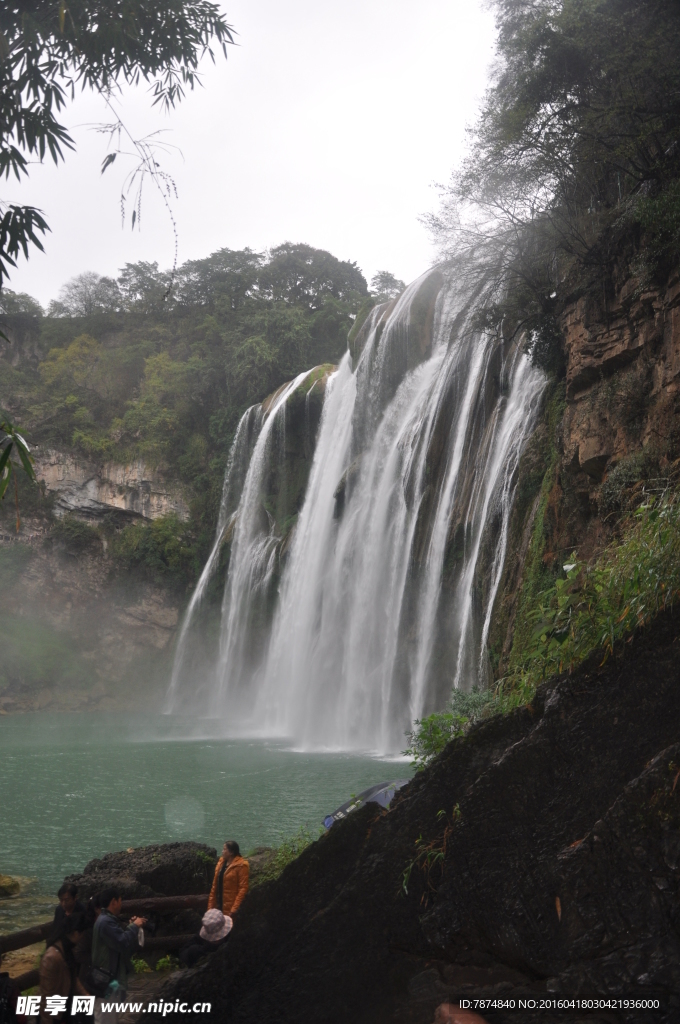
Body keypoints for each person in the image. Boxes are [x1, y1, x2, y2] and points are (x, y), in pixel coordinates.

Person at [90, 888, 146, 1024]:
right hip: (105, 979)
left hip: (107, 978)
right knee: (105, 1019)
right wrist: (133, 926)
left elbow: (118, 940)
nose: (121, 904)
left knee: (109, 1018)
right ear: (113, 902)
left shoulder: (106, 920)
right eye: (120, 901)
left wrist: (131, 926)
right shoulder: (105, 922)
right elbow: (122, 942)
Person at [39, 912, 90, 1022]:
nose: (82, 938)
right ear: (76, 933)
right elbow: (46, 995)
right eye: (82, 934)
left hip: (66, 1008)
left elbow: (72, 976)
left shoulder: (67, 949)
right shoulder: (52, 957)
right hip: (56, 1015)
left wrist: (85, 995)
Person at [207, 841, 249, 916]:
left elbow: (243, 888)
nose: (222, 851)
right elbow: (214, 887)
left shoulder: (241, 866)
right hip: (218, 904)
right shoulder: (221, 863)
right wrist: (210, 906)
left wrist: (234, 908)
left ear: (231, 852)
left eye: (224, 849)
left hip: (231, 906)